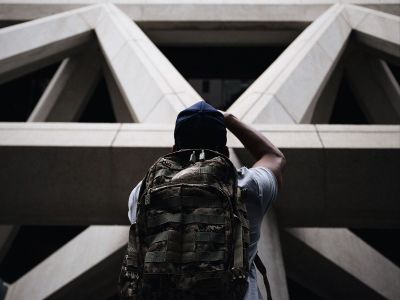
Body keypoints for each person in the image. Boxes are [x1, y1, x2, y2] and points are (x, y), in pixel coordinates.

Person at [127, 101, 286, 299]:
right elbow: (274, 157)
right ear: (225, 153)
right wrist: (229, 119)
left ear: (174, 149)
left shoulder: (142, 193)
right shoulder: (247, 187)